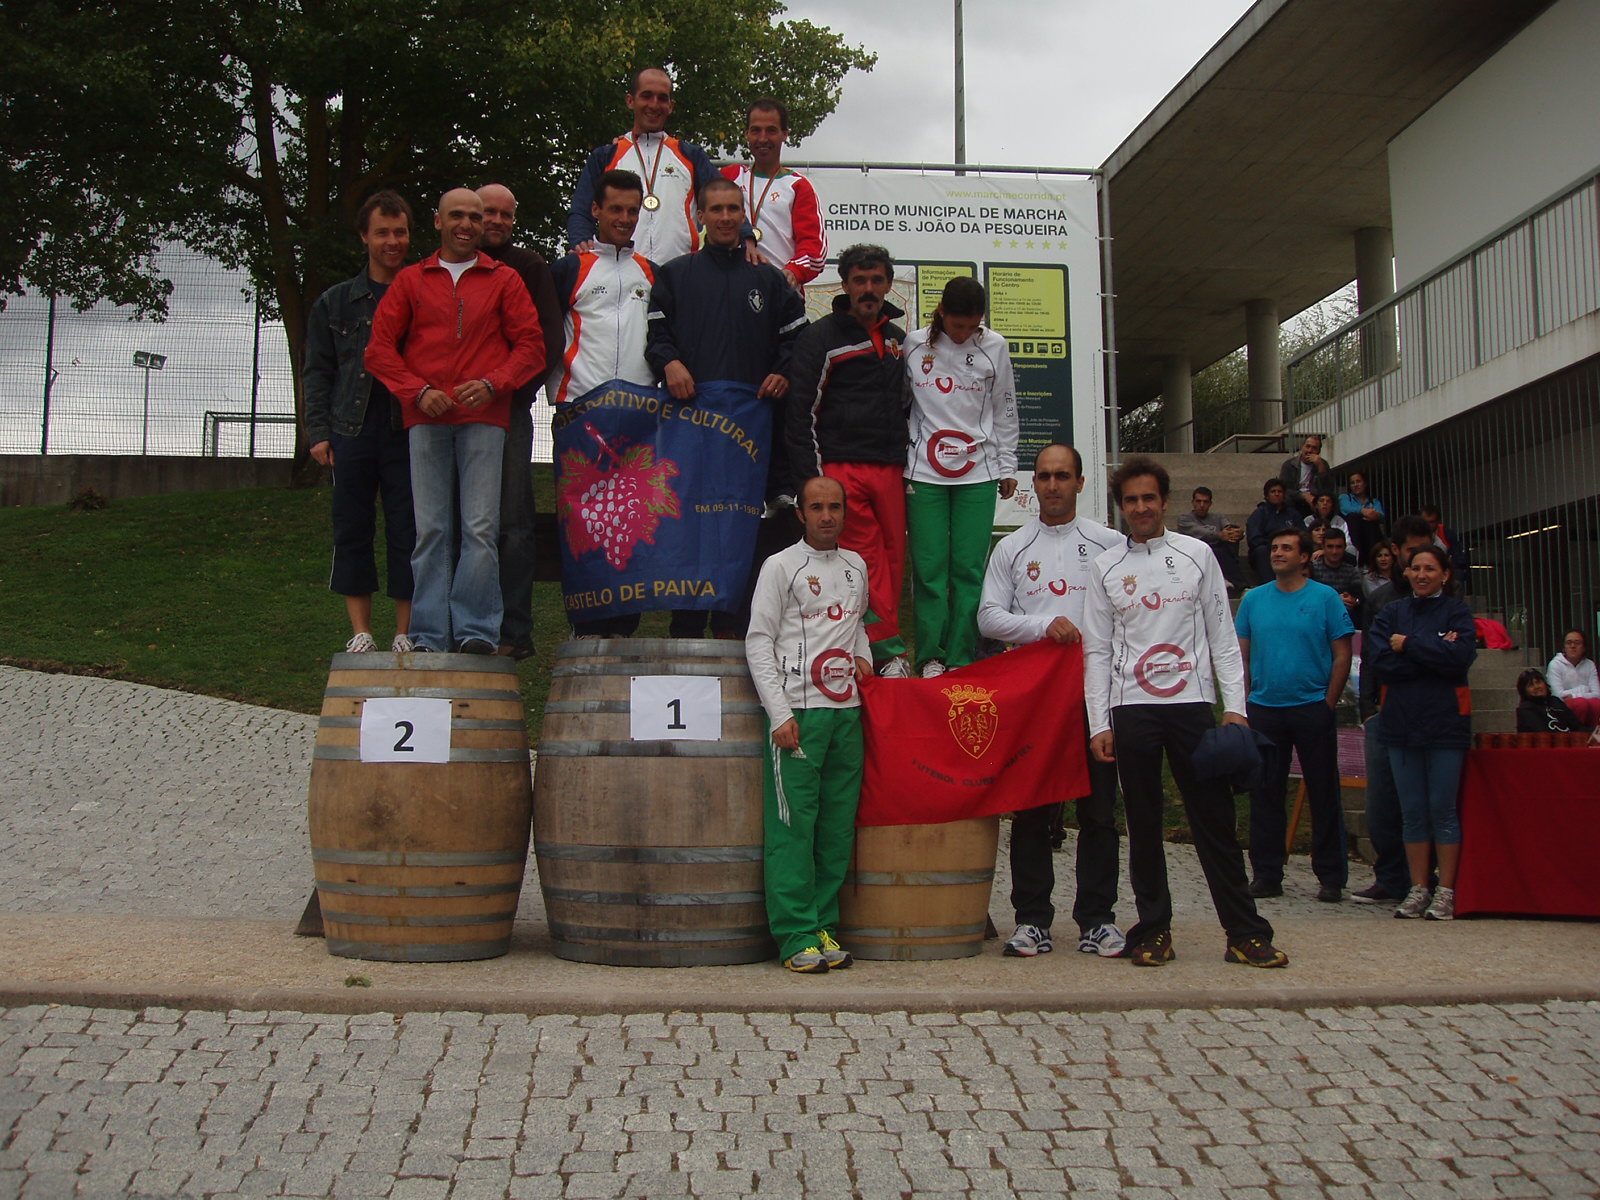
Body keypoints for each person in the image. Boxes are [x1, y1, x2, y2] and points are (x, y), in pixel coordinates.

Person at [1082, 454, 1288, 969]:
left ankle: (1244, 933)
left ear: (1165, 501)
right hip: (1132, 708)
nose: (1141, 508)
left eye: (1149, 498)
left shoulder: (1197, 555)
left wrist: (1235, 708)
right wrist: (1100, 723)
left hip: (1191, 705)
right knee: (1143, 824)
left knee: (1215, 821)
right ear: (1121, 506)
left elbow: (1223, 637)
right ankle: (1154, 930)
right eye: (1131, 500)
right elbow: (1097, 651)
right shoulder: (1105, 567)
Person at [365, 188, 546, 654]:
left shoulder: (504, 279)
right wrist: (417, 392)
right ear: (438, 221)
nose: (466, 224)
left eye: (475, 217)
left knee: (480, 528)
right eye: (457, 216)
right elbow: (379, 350)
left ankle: (476, 631)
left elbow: (531, 346)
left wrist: (492, 384)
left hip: (485, 418)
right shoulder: (412, 279)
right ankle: (428, 634)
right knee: (431, 529)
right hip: (425, 418)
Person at [977, 442, 1125, 959]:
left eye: (1063, 476)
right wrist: (1043, 625)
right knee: (1032, 811)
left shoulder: (1109, 543)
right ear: (1033, 483)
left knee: (1099, 812)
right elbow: (988, 617)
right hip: (1037, 699)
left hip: (1095, 696)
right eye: (1044, 476)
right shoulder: (1012, 547)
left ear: (1080, 483)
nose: (1053, 485)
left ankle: (1098, 920)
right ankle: (1032, 920)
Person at [646, 177, 807, 638]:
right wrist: (670, 362)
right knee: (691, 521)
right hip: (691, 429)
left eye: (733, 209)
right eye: (715, 209)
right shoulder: (676, 274)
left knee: (744, 525)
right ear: (700, 216)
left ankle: (734, 626)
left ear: (744, 216)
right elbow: (656, 336)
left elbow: (797, 338)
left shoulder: (768, 279)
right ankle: (685, 626)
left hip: (750, 434)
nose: (724, 217)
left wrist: (783, 371)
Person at [744, 475, 872, 974]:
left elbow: (855, 626)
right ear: (800, 513)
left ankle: (822, 926)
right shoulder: (780, 566)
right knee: (793, 828)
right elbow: (759, 640)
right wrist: (779, 713)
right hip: (799, 712)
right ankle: (794, 934)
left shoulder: (856, 566)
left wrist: (863, 657)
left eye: (834, 507)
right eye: (816, 507)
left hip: (846, 714)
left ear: (844, 512)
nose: (826, 516)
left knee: (836, 828)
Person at [786, 244, 911, 675]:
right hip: (842, 467)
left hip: (891, 466)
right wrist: (811, 481)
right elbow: (800, 413)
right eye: (860, 281)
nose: (868, 289)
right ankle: (885, 653)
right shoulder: (820, 338)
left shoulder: (898, 339)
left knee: (894, 559)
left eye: (876, 280)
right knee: (867, 559)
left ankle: (874, 650)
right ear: (845, 285)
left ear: (888, 284)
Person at [302, 190, 418, 655]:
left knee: (410, 529)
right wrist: (318, 432)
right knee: (351, 526)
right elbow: (318, 370)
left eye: (400, 232)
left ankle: (405, 630)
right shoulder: (335, 302)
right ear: (364, 237)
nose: (392, 242)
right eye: (382, 232)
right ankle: (361, 631)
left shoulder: (423, 293)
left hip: (408, 429)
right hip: (350, 429)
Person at [547, 169, 657, 641]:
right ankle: (585, 625)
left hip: (638, 414)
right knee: (581, 520)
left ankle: (625, 626)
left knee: (631, 517)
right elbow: (544, 336)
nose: (625, 218)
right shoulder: (568, 268)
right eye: (615, 209)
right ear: (595, 210)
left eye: (632, 210)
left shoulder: (651, 272)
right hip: (580, 410)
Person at [903, 277, 1018, 677]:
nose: (964, 333)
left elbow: (1005, 407)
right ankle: (930, 657)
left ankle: (961, 658)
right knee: (929, 568)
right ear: (941, 313)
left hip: (978, 472)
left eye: (972, 326)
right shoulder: (914, 344)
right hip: (924, 472)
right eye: (957, 325)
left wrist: (1007, 464)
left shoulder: (995, 346)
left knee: (969, 569)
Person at [1236, 527, 1354, 903]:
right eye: (1274, 547)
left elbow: (1342, 653)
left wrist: (1328, 702)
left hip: (1312, 707)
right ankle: (1267, 874)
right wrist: (1244, 701)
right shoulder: (1254, 600)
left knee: (1323, 792)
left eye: (1287, 547)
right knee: (1265, 794)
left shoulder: (1325, 598)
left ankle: (1331, 876)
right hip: (1265, 709)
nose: (1278, 553)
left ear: (1304, 557)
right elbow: (1241, 655)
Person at [477, 183, 565, 660]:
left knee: (513, 520)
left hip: (508, 407)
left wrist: (516, 389)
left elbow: (549, 339)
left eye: (505, 214)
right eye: (487, 212)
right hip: (452, 411)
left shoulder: (528, 266)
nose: (496, 221)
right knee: (462, 524)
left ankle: (514, 632)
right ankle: (460, 626)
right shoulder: (446, 267)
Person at [1368, 545, 1476, 921]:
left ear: (1445, 574)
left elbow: (1460, 659)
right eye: (1416, 568)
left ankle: (1446, 890)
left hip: (1446, 724)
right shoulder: (1392, 612)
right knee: (1412, 811)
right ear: (1407, 573)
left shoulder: (1458, 613)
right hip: (1400, 723)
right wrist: (1435, 652)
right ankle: (1418, 887)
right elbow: (1382, 662)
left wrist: (1409, 645)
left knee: (1442, 809)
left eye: (1430, 568)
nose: (1422, 574)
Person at [1350, 516, 1438, 905]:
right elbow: (1372, 657)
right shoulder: (1382, 599)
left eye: (1426, 549)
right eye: (1412, 551)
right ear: (1397, 551)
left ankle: (1427, 877)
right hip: (1385, 708)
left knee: (1427, 797)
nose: (1419, 559)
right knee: (1382, 801)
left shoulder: (1444, 599)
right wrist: (1368, 708)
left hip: (1432, 709)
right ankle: (1389, 876)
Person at [567, 67, 732, 264]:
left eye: (662, 98)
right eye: (646, 96)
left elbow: (726, 199)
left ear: (671, 106)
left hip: (680, 271)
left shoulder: (691, 155)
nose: (654, 105)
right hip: (622, 271)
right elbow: (581, 209)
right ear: (630, 101)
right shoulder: (605, 156)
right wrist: (581, 240)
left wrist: (746, 237)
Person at [722, 99, 826, 292]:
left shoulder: (798, 186)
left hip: (778, 292)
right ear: (746, 134)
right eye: (756, 130)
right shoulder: (730, 176)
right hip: (732, 291)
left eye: (771, 130)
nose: (763, 139)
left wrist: (794, 271)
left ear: (785, 134)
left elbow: (814, 248)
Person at [1176, 486, 1245, 595]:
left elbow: (1228, 528)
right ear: (1193, 502)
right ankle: (1240, 585)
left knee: (1230, 535)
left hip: (1220, 550)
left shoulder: (1218, 517)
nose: (1202, 505)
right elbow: (1198, 532)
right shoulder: (1184, 519)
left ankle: (1227, 578)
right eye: (1198, 501)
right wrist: (1218, 535)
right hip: (1196, 552)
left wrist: (1238, 533)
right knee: (1214, 550)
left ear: (1210, 504)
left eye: (1205, 502)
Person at [1245, 479, 1301, 584]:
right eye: (1273, 491)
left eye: (1279, 491)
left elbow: (1302, 533)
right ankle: (1270, 584)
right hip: (1267, 550)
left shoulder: (1293, 514)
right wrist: (1275, 547)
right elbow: (1254, 538)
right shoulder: (1259, 513)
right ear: (1267, 495)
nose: (1277, 494)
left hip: (1290, 548)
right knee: (1261, 551)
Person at [1310, 526, 1365, 629]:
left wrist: (1354, 601)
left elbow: (1359, 598)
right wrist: (1335, 600)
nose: (1334, 551)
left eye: (1338, 547)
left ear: (1345, 547)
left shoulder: (1351, 571)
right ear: (1323, 547)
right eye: (1330, 547)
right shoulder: (1312, 569)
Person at [1546, 629, 1600, 726]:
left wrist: (1575, 695)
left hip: (1586, 705)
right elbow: (1558, 695)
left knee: (1596, 704)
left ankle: (1593, 733)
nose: (1573, 646)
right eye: (1569, 643)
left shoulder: (1590, 664)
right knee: (1580, 703)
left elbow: (1597, 694)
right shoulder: (1555, 664)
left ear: (1584, 647)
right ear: (1564, 647)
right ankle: (1576, 733)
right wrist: (1584, 689)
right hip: (1561, 707)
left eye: (1577, 643)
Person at [1339, 470, 1387, 563]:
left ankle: (1373, 561)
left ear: (1365, 484)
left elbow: (1381, 516)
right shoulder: (1345, 497)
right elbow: (1345, 508)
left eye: (1358, 481)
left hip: (1371, 537)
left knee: (1372, 523)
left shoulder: (1373, 501)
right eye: (1352, 483)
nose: (1355, 485)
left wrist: (1375, 516)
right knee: (1353, 517)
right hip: (1353, 536)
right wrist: (1363, 511)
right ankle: (1358, 560)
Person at [1278, 432, 1332, 514]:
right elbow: (1284, 489)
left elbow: (1326, 489)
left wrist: (1321, 468)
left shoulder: (1323, 464)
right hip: (1294, 501)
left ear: (1319, 451)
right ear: (1302, 447)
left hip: (1314, 501)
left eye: (1314, 448)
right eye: (1307, 446)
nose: (1310, 450)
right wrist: (1303, 495)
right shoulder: (1289, 465)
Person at [1421, 503, 1470, 577]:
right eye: (1425, 522)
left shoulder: (1447, 533)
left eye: (1431, 522)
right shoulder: (1414, 534)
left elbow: (1459, 559)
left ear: (1438, 521)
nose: (1428, 525)